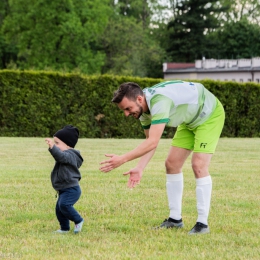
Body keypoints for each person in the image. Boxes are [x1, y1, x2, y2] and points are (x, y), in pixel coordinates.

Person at [99, 80, 225, 235]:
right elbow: (149, 142)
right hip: (189, 122)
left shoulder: (159, 101)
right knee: (171, 164)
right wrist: (140, 167)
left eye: (127, 108)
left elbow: (152, 142)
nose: (126, 114)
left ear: (139, 99)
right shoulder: (142, 111)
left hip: (209, 116)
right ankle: (175, 220)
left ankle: (202, 224)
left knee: (198, 165)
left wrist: (122, 159)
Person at [45, 125, 84, 234]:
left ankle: (78, 220)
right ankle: (64, 228)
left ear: (68, 145)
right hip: (64, 188)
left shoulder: (70, 155)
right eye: (55, 143)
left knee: (64, 205)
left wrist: (52, 148)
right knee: (59, 209)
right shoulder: (66, 154)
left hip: (71, 189)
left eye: (57, 143)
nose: (56, 146)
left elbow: (61, 157)